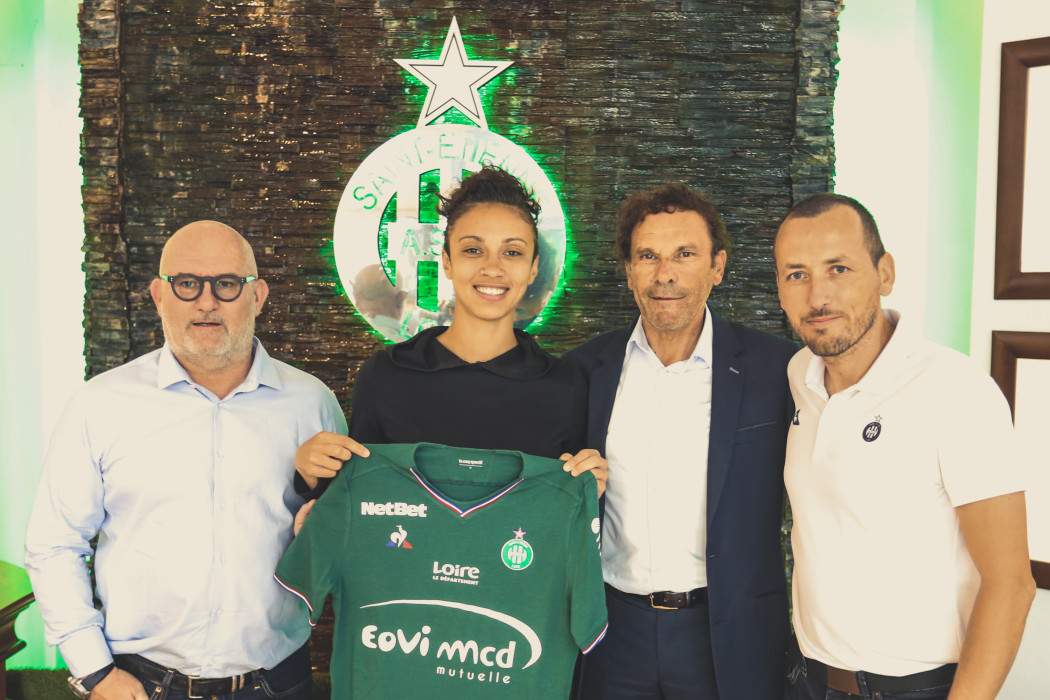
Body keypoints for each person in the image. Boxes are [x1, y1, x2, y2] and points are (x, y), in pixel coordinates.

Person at [25, 221, 346, 700]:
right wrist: (94, 672)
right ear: (159, 295)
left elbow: (339, 536)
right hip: (140, 684)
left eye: (227, 283)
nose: (206, 301)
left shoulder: (311, 403)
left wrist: (320, 524)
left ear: (258, 296)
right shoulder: (99, 405)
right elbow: (55, 544)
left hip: (278, 681)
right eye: (187, 283)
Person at [775, 193, 1035, 700]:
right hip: (809, 679)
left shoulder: (955, 389)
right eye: (796, 274)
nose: (817, 296)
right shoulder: (799, 375)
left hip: (917, 689)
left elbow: (1011, 583)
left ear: (885, 273)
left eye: (838, 268)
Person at [567, 184, 797, 700]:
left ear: (717, 266)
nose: (665, 274)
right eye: (648, 256)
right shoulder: (583, 371)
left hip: (729, 634)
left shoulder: (779, 370)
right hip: (610, 632)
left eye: (684, 255)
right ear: (629, 270)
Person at [294, 165, 606, 512]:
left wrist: (591, 486)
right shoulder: (385, 377)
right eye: (473, 250)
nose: (492, 267)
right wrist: (312, 474)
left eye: (512, 252)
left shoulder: (567, 386)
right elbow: (358, 502)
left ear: (533, 268)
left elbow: (569, 515)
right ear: (446, 261)